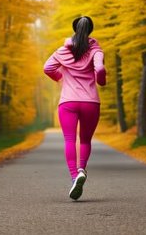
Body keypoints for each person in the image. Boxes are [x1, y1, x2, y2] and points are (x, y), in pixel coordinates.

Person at [43, 16, 106, 201]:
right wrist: (101, 79)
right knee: (85, 140)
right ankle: (81, 170)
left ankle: (73, 178)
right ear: (90, 31)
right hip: (90, 103)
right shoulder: (96, 51)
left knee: (69, 140)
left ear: (74, 29)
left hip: (68, 102)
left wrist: (60, 78)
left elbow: (47, 68)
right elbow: (100, 70)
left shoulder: (63, 51)